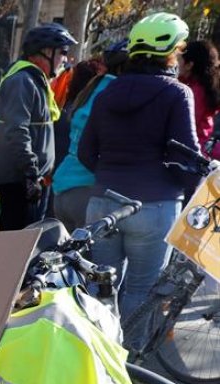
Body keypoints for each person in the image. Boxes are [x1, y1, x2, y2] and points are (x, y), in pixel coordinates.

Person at [79, 12, 199, 318]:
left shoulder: (107, 93)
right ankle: (128, 362)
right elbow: (185, 158)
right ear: (170, 53)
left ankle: (93, 359)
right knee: (141, 292)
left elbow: (85, 151)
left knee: (99, 290)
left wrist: (110, 175)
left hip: (103, 202)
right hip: (154, 206)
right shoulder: (177, 93)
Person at [0, 23, 76, 231]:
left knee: (30, 243)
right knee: (19, 247)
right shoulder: (22, 81)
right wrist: (31, 174)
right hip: (21, 182)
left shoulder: (35, 80)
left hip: (33, 180)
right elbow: (16, 131)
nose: (65, 59)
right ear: (46, 52)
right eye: (62, 52)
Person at [52, 42, 128, 233]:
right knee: (90, 262)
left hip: (63, 186)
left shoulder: (94, 89)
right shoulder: (115, 95)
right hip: (86, 190)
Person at [179, 40, 220, 156]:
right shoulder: (202, 86)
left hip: (194, 151)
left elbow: (186, 124)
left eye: (180, 59)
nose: (176, 63)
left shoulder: (195, 92)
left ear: (189, 65)